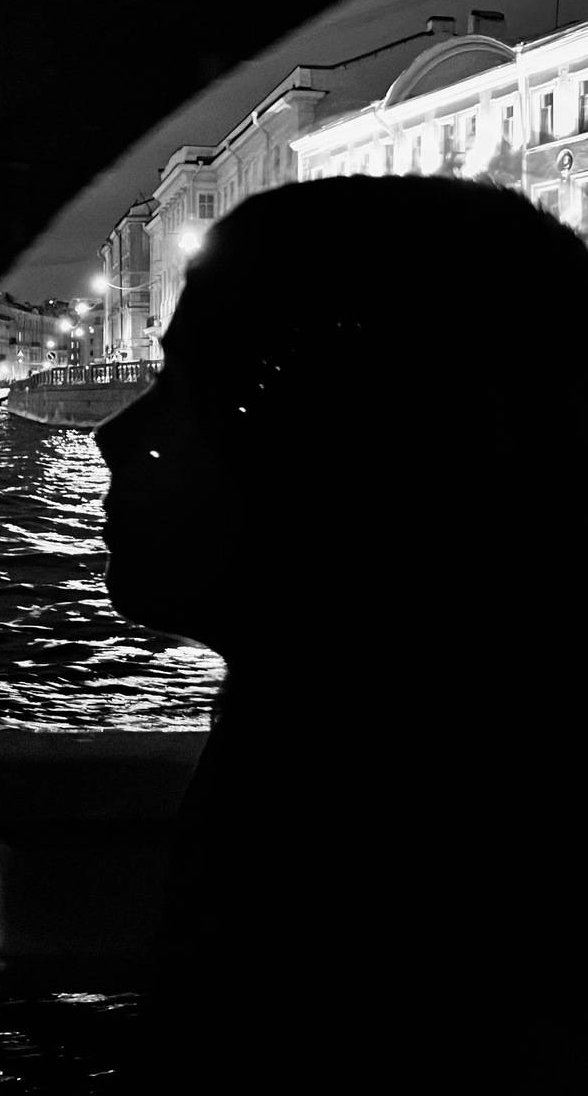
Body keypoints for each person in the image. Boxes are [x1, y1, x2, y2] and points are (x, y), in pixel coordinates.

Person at [95, 175, 588, 1093]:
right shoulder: (426, 771)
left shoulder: (363, 849)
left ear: (369, 447)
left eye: (208, 387)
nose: (116, 436)